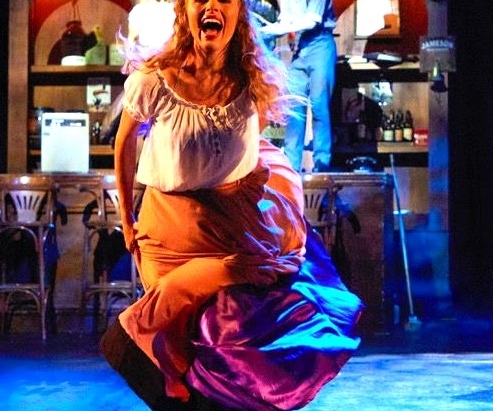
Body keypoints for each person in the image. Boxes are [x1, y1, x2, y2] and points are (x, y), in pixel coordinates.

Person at [101, 1, 361, 410]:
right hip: (170, 229)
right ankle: (136, 340)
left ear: (238, 13)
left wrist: (254, 190)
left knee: (232, 332)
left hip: (231, 227)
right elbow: (124, 144)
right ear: (184, 11)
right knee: (179, 343)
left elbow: (245, 148)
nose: (211, 5)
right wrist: (127, 218)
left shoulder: (250, 81)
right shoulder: (153, 80)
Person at [257, 0, 338, 173]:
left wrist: (273, 31)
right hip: (301, 48)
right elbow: (287, 20)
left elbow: (311, 21)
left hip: (321, 44)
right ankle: (291, 166)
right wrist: (264, 31)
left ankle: (321, 164)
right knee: (294, 109)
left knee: (319, 105)